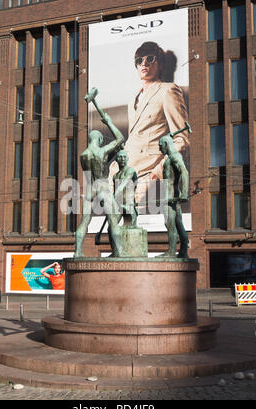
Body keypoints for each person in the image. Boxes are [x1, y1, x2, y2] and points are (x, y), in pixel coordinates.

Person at [111, 41, 189, 204]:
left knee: (135, 224)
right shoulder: (133, 99)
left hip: (146, 175)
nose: (144, 63)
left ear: (160, 64)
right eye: (139, 60)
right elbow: (133, 138)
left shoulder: (168, 90)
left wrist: (157, 173)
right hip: (121, 173)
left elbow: (182, 140)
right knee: (113, 225)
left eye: (150, 59)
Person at [74, 111, 125, 258]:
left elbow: (96, 167)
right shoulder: (102, 151)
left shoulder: (83, 155)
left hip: (90, 189)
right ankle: (120, 252)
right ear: (101, 139)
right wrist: (108, 122)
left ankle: (77, 251)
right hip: (103, 187)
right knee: (113, 220)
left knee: (84, 222)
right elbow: (120, 138)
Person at [157, 134, 189, 258]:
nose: (160, 149)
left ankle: (171, 252)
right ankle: (184, 250)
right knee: (178, 223)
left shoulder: (174, 157)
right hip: (171, 194)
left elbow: (184, 172)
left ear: (166, 144)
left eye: (161, 146)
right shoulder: (172, 157)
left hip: (170, 195)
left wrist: (185, 192)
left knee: (169, 223)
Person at [113, 150, 138, 227]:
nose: (122, 159)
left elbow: (122, 185)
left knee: (129, 228)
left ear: (127, 158)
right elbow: (115, 190)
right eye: (120, 157)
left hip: (128, 205)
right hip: (119, 206)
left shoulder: (130, 171)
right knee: (111, 228)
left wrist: (113, 196)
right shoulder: (115, 176)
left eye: (124, 157)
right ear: (116, 159)